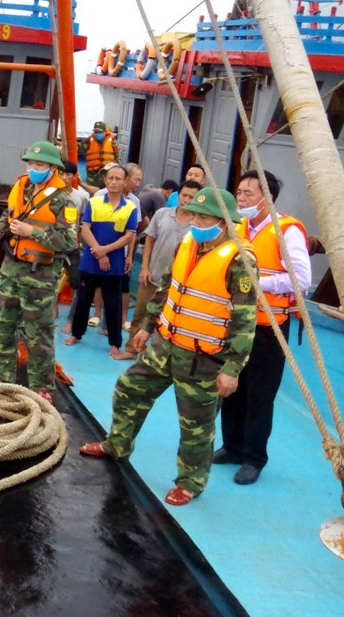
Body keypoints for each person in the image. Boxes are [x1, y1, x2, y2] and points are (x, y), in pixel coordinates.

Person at [79, 187, 257, 506]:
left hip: (204, 358)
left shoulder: (240, 260)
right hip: (166, 344)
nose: (196, 222)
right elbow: (168, 288)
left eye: (205, 217)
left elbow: (245, 321)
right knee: (129, 388)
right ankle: (117, 445)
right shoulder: (188, 243)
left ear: (225, 221)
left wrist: (232, 370)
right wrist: (147, 327)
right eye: (193, 215)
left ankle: (190, 482)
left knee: (196, 426)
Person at [214, 170, 311, 485]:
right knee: (231, 388)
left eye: (248, 194)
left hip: (269, 329)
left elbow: (302, 279)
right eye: (239, 193)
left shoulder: (288, 231)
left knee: (260, 395)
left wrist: (257, 283)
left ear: (267, 198)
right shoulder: (237, 228)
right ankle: (232, 446)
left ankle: (254, 458)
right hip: (236, 325)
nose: (240, 198)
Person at [0, 141, 78, 403]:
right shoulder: (22, 186)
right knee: (5, 326)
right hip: (12, 267)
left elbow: (70, 241)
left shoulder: (63, 201)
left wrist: (33, 233)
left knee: (38, 333)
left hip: (40, 275)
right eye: (30, 163)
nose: (33, 168)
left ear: (52, 168)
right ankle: (4, 378)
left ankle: (42, 386)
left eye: (39, 164)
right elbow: (9, 213)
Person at [64, 164, 138, 360]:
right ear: (105, 180)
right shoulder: (94, 202)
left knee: (113, 305)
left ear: (125, 182)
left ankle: (115, 343)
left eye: (118, 179)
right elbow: (86, 229)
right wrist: (99, 253)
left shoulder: (130, 208)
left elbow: (129, 235)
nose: (114, 182)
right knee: (83, 300)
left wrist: (105, 251)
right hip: (90, 262)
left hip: (114, 266)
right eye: (110, 178)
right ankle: (76, 334)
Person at [126, 180, 201, 352]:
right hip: (152, 276)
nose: (187, 200)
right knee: (140, 314)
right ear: (178, 195)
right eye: (184, 195)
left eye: (192, 197)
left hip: (179, 284)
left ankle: (155, 356)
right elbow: (149, 240)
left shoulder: (198, 225)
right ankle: (131, 350)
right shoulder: (161, 214)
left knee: (168, 323)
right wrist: (145, 268)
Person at [58, 160, 89, 334]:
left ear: (74, 176)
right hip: (53, 245)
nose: (64, 177)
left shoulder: (80, 197)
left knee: (76, 279)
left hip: (72, 246)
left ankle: (71, 318)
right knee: (52, 278)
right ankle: (53, 309)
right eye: (61, 174)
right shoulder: (51, 194)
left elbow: (82, 220)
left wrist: (79, 241)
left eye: (68, 174)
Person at [82, 121, 119, 188]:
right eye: (96, 132)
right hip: (93, 176)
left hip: (108, 173)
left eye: (100, 132)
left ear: (105, 131)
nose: (97, 134)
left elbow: (116, 156)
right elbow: (76, 148)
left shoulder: (112, 142)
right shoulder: (88, 141)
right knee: (92, 195)